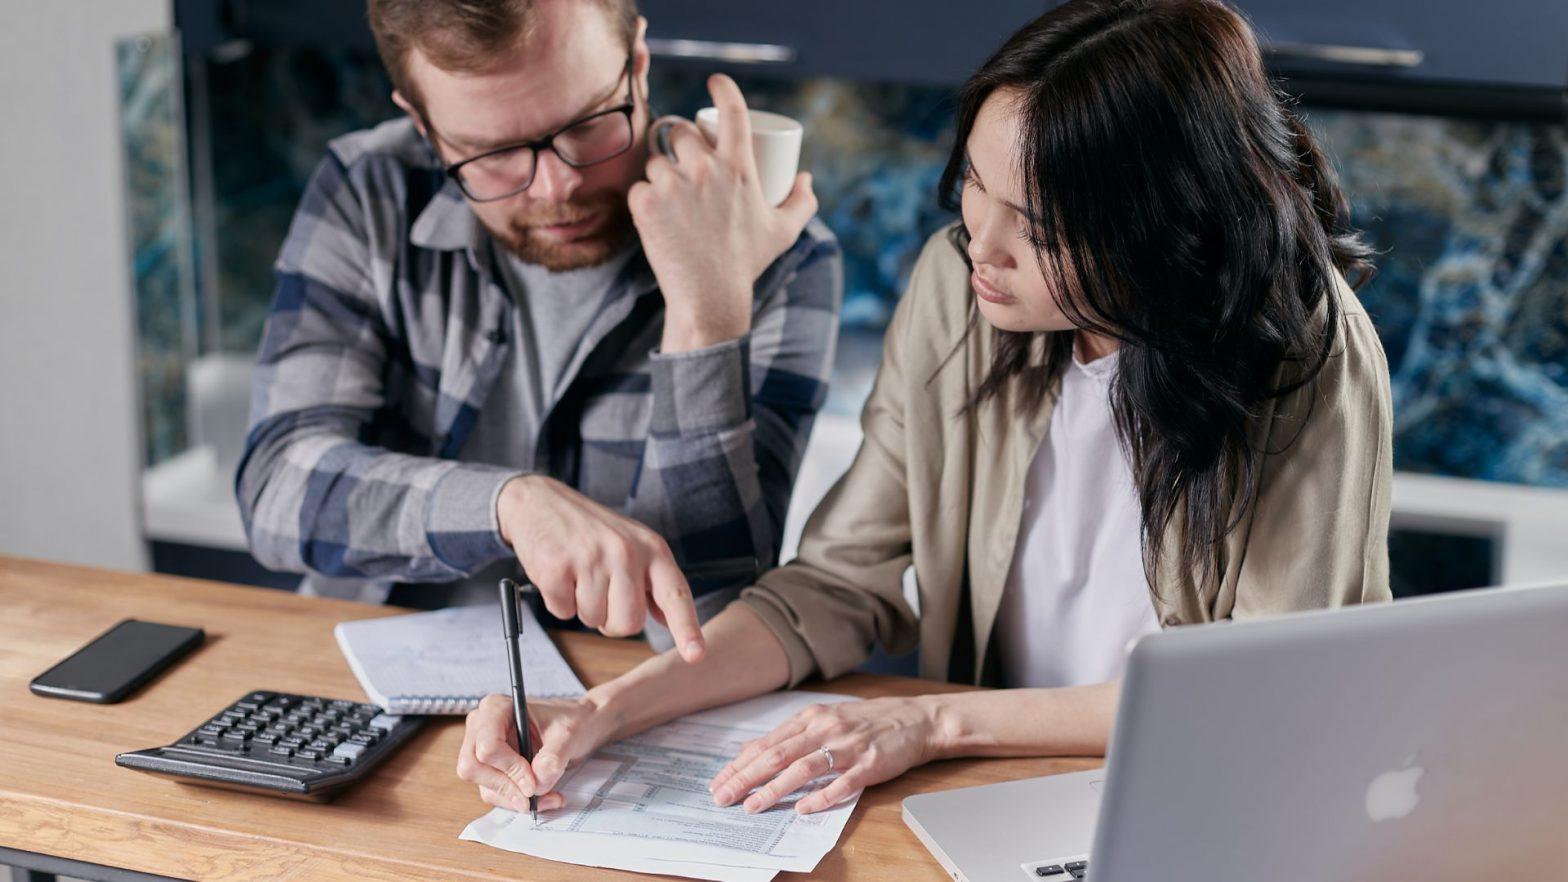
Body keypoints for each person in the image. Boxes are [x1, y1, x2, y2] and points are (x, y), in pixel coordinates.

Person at [456, 0, 1394, 817]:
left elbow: (1263, 694)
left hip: (1199, 799)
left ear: (1163, 226)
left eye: (1036, 227)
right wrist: (605, 710)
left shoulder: (1306, 353)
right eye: (976, 186)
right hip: (991, 792)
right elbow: (833, 585)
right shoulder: (958, 290)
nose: (978, 244)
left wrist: (932, 719)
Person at [236, 0, 842, 658]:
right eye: (490, 152)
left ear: (637, 65)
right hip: (369, 672)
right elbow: (277, 489)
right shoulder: (368, 191)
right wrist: (507, 506)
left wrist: (706, 315)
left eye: (586, 125)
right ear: (422, 125)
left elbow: (712, 619)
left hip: (626, 702)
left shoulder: (778, 251)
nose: (558, 187)